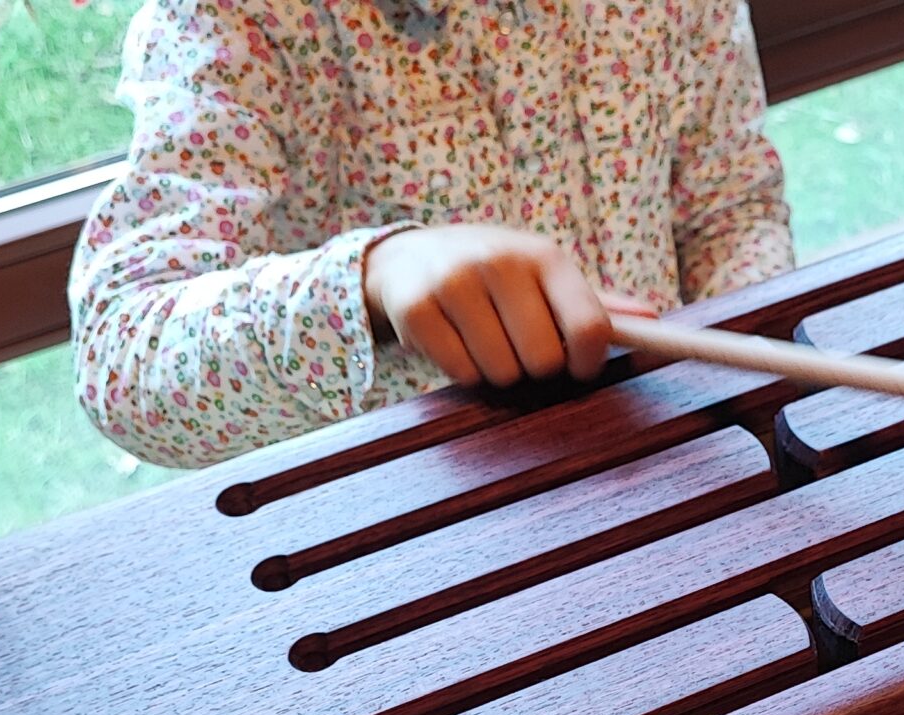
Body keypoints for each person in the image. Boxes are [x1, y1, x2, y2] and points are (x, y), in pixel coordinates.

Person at [70, 0, 794, 469]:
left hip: (675, 462)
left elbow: (731, 206)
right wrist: (372, 278)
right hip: (426, 532)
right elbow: (122, 361)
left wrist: (751, 392)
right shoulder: (236, 20)